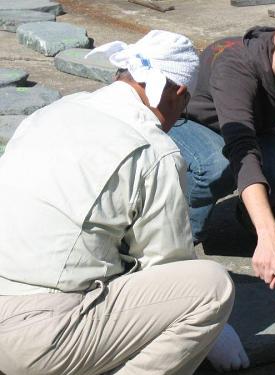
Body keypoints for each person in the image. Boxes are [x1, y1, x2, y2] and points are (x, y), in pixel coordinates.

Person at [0, 30, 239, 375]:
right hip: (34, 340)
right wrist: (213, 334)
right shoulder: (154, 150)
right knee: (210, 288)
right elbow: (167, 268)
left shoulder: (54, 111)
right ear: (179, 94)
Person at [168, 0, 275, 301]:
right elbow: (241, 149)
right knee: (214, 165)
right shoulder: (236, 65)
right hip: (191, 126)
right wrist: (269, 233)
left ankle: (249, 211)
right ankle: (177, 251)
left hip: (248, 129)